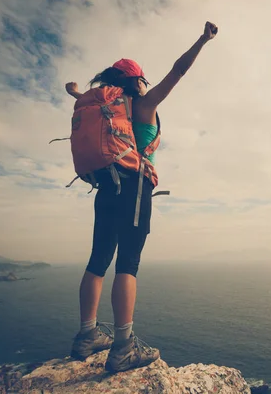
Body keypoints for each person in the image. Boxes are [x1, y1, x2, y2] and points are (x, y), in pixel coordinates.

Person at [65, 21, 218, 373]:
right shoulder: (144, 105)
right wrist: (202, 40)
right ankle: (122, 347)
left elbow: (88, 103)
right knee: (128, 264)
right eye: (142, 80)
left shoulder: (103, 107)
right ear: (137, 82)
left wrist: (74, 92)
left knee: (97, 260)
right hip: (134, 186)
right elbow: (178, 71)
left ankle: (87, 334)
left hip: (106, 185)